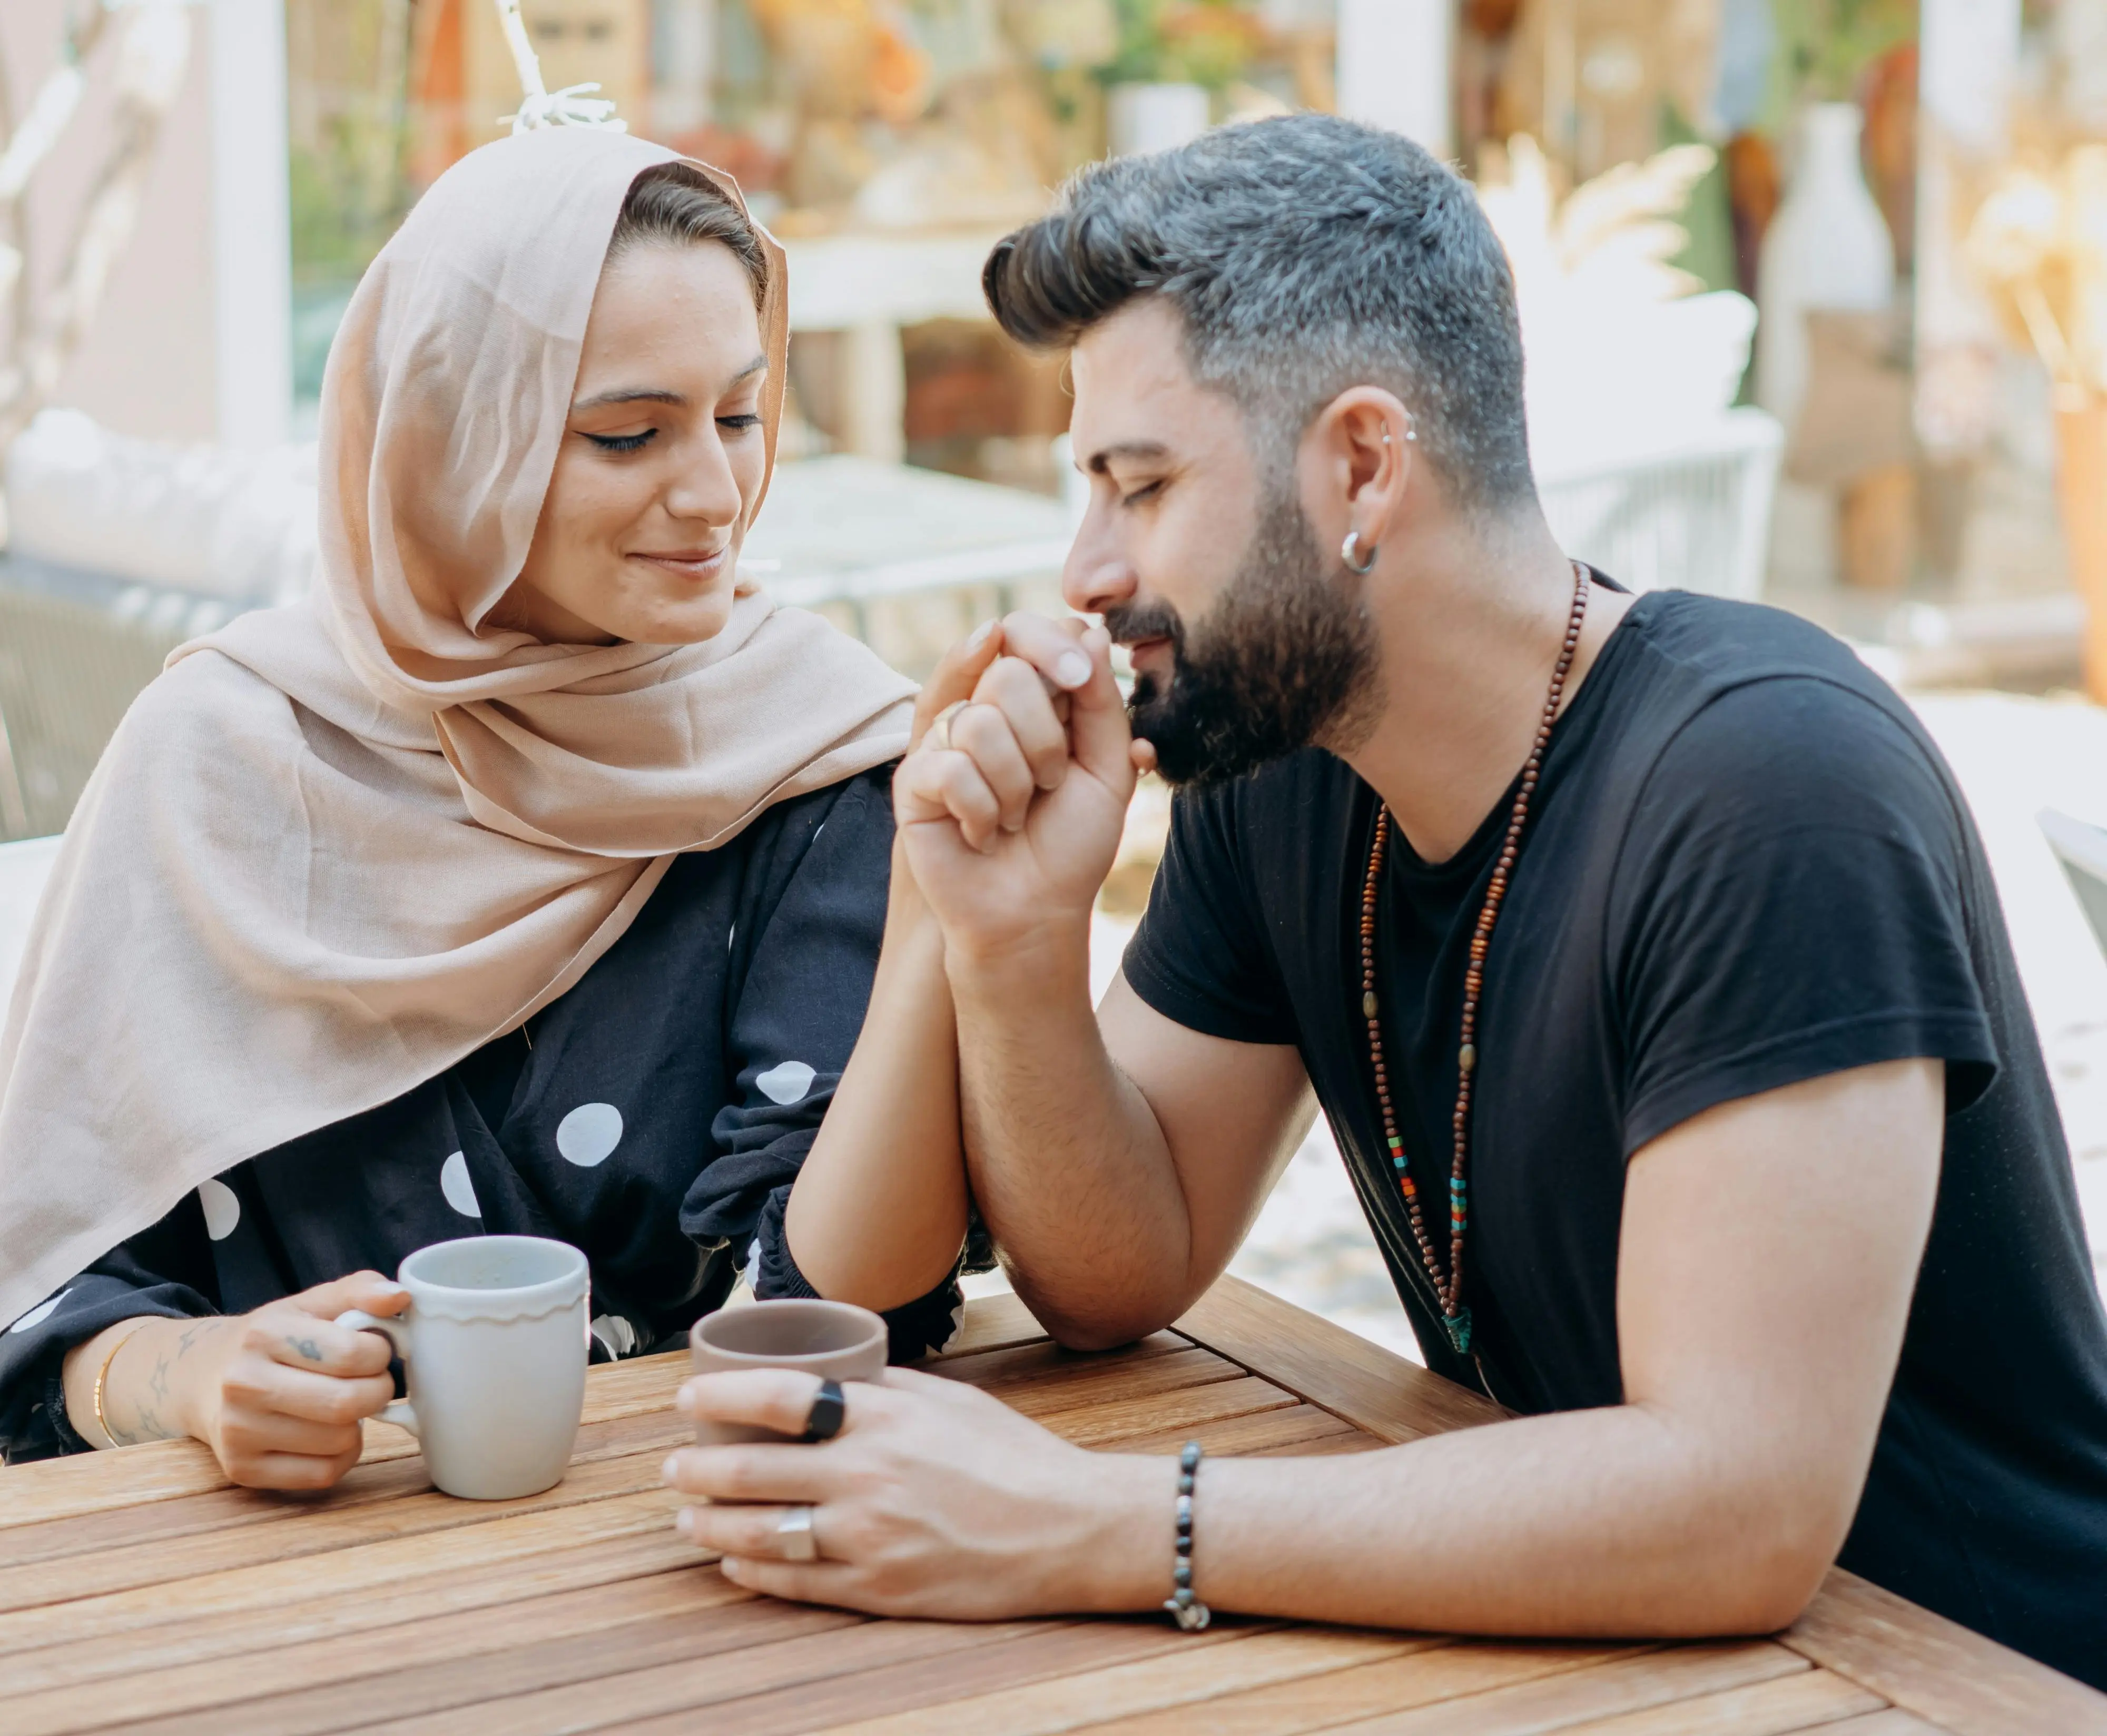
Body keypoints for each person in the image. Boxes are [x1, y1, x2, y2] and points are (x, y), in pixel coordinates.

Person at [661, 115, 2107, 1691]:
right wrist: (1012, 939)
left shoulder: (1773, 784)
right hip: (1604, 1659)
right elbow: (1116, 1271)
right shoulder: (1290, 766)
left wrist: (1085, 1524)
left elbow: (1735, 1507)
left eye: (1139, 488)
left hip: (1964, 1678)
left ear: (1362, 465)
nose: (1083, 570)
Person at [0, 127, 976, 1481]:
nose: (714, 495)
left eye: (741, 416)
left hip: (698, 1524)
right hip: (276, 1568)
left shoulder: (816, 753)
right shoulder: (218, 761)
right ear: (452, 442)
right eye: (628, 433)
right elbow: (50, 1296)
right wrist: (199, 1378)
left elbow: (843, 1305)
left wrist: (948, 925)